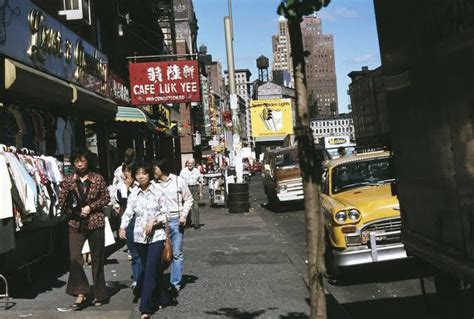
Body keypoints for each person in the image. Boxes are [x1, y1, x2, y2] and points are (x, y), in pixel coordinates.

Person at [58, 149, 110, 310]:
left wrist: (91, 207)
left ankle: (100, 293)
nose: (79, 164)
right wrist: (76, 211)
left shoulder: (98, 178)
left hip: (95, 222)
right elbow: (62, 203)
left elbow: (106, 198)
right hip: (76, 223)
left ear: (88, 162)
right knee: (74, 258)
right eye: (76, 161)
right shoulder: (68, 180)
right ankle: (80, 292)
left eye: (83, 161)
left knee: (97, 259)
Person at [119, 162, 169, 319]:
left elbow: (166, 214)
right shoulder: (134, 193)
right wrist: (122, 227)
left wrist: (154, 221)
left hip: (157, 236)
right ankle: (162, 297)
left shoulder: (158, 190)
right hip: (139, 236)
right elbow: (128, 212)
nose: (141, 176)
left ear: (150, 174)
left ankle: (145, 307)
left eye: (144, 173)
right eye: (138, 174)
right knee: (154, 269)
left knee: (149, 269)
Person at [153, 159, 193, 303]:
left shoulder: (178, 181)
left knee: (176, 253)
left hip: (176, 220)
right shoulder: (153, 184)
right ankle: (158, 282)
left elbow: (189, 199)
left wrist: (184, 215)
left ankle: (174, 284)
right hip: (159, 222)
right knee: (158, 254)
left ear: (162, 169)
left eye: (155, 169)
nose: (153, 172)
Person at [114, 163, 142, 295]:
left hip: (142, 222)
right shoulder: (120, 186)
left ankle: (143, 278)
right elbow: (122, 200)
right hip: (129, 221)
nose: (127, 174)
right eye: (125, 171)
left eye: (130, 171)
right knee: (135, 253)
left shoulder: (140, 185)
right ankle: (136, 279)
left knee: (143, 252)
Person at [179, 158, 203, 230]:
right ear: (187, 164)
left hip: (195, 189)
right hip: (186, 189)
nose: (190, 165)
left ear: (194, 164)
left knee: (196, 207)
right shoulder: (183, 171)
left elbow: (200, 182)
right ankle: (187, 223)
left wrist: (200, 192)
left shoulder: (196, 171)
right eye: (189, 163)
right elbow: (180, 182)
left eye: (192, 164)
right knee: (186, 207)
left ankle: (197, 225)